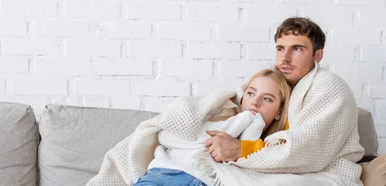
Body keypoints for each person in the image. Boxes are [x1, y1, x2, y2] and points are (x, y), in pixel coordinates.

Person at [203, 16, 366, 185]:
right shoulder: (277, 84)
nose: (285, 58)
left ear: (317, 56)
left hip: (325, 174)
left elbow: (308, 151)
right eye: (280, 49)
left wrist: (241, 149)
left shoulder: (329, 85)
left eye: (296, 49)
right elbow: (240, 102)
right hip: (274, 169)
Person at [134, 69, 291, 186]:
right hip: (163, 173)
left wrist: (254, 124)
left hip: (202, 181)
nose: (255, 102)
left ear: (279, 111)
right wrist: (242, 120)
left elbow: (244, 167)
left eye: (267, 99)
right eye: (251, 94)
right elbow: (166, 135)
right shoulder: (219, 114)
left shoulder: (268, 147)